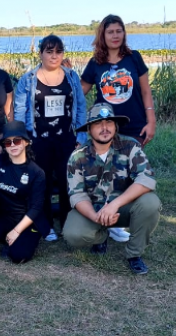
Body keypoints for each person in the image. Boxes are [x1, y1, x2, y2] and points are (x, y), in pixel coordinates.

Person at [81, 15, 156, 243]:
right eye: (110, 31)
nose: (115, 35)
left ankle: (126, 219)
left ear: (124, 33)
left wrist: (151, 121)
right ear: (102, 35)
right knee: (105, 175)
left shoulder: (134, 58)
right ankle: (105, 223)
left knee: (131, 177)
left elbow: (145, 92)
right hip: (104, 128)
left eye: (119, 31)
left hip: (133, 126)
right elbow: (78, 92)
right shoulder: (95, 63)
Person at [64, 103, 160, 275]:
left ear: (115, 126)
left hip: (123, 208)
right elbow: (76, 195)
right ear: (89, 130)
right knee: (73, 234)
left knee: (151, 202)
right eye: (98, 124)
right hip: (94, 209)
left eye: (109, 122)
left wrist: (114, 205)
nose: (104, 128)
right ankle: (101, 235)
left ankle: (134, 254)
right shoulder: (78, 156)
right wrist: (96, 217)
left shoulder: (130, 146)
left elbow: (146, 179)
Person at [13, 34, 87, 242]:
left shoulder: (72, 77)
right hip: (38, 140)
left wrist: (81, 136)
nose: (54, 56)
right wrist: (22, 139)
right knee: (42, 182)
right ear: (41, 53)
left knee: (67, 182)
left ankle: (67, 222)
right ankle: (45, 224)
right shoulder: (28, 80)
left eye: (58, 51)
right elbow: (19, 111)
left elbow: (81, 107)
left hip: (67, 139)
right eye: (49, 51)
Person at [0, 121, 49, 264]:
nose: (13, 145)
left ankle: (19, 237)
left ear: (26, 142)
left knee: (18, 256)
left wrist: (17, 231)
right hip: (4, 217)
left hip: (27, 221)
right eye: (8, 142)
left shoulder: (36, 172)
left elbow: (36, 208)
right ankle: (7, 236)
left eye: (17, 141)